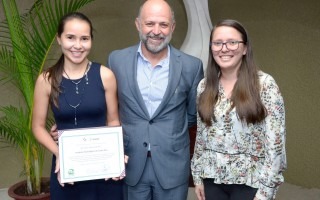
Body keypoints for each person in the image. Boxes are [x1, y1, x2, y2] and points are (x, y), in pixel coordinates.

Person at [107, 0, 204, 199]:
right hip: (130, 161)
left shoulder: (191, 66)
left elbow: (192, 116)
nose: (156, 31)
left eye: (163, 24)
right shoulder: (116, 60)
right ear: (138, 24)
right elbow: (111, 108)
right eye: (150, 23)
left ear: (173, 27)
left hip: (172, 163)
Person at [191, 19, 287, 200]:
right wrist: (197, 176)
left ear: (245, 48)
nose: (224, 48)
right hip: (212, 178)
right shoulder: (204, 86)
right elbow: (201, 136)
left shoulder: (265, 85)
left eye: (232, 42)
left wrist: (266, 191)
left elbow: (275, 146)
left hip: (251, 182)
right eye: (217, 43)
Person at [32, 12, 124, 200]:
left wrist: (116, 156)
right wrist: (61, 155)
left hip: (103, 169)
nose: (78, 45)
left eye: (84, 38)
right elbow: (37, 127)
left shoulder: (105, 75)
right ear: (59, 39)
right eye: (70, 38)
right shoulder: (46, 80)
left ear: (91, 40)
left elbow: (113, 120)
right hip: (67, 169)